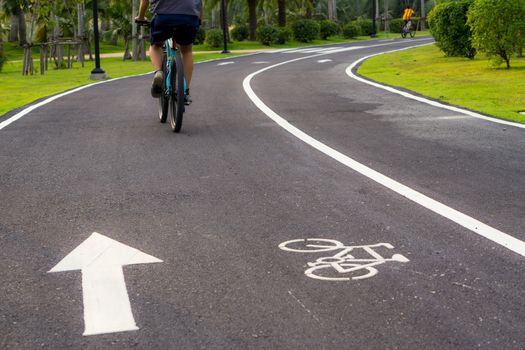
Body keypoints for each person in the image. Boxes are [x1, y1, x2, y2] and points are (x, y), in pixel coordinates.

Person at [136, 0, 202, 105]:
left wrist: (140, 17)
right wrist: (199, 18)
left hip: (163, 17)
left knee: (156, 46)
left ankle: (158, 72)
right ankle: (185, 91)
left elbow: (145, 1)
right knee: (186, 51)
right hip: (189, 17)